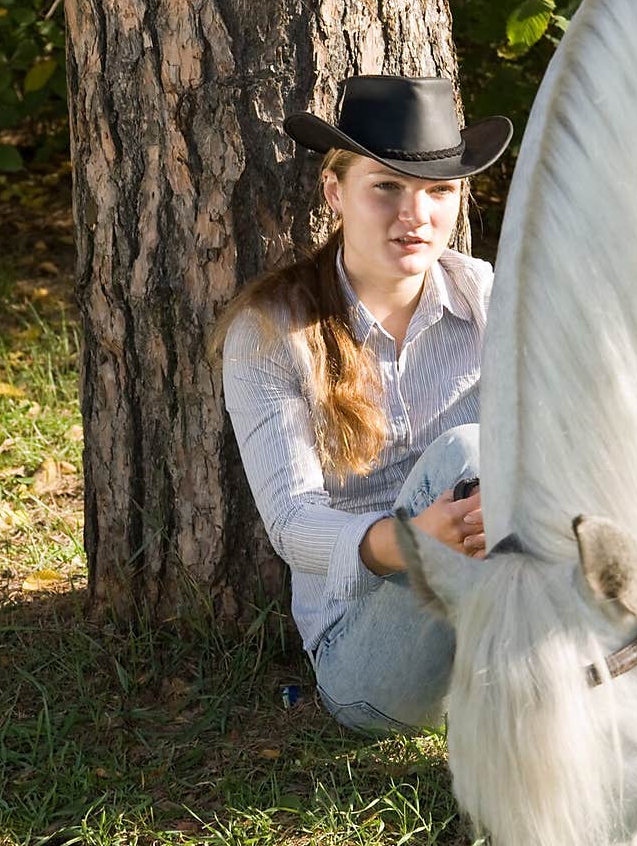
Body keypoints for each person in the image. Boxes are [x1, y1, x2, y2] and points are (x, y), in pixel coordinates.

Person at [212, 74, 513, 733]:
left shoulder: (491, 300)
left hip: (496, 624)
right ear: (335, 191)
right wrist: (408, 545)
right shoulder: (271, 334)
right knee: (470, 450)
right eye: (387, 188)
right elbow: (291, 521)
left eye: (439, 190)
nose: (417, 215)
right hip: (368, 659)